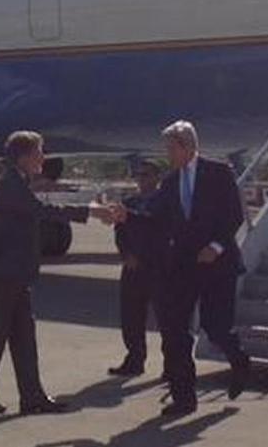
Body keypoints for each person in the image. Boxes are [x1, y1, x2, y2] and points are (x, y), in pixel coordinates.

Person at [0, 131, 116, 416]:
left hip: (14, 274)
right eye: (39, 152)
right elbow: (41, 210)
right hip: (3, 276)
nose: (43, 157)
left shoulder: (16, 181)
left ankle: (32, 397)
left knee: (23, 338)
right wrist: (91, 212)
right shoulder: (9, 184)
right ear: (23, 156)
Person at [113, 120, 250, 417]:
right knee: (175, 330)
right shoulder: (171, 182)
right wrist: (128, 216)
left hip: (217, 263)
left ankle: (239, 360)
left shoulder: (219, 173)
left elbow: (234, 215)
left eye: (170, 148)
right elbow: (155, 218)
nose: (167, 154)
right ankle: (183, 398)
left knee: (216, 328)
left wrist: (216, 247)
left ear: (187, 146)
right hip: (183, 265)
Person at [108, 160, 168, 376]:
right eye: (138, 175)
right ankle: (134, 359)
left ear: (157, 177)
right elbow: (120, 232)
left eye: (146, 175)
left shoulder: (166, 201)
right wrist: (126, 254)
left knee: (166, 318)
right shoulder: (129, 202)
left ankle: (172, 364)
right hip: (133, 267)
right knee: (131, 316)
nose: (141, 179)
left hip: (158, 267)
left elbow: (158, 227)